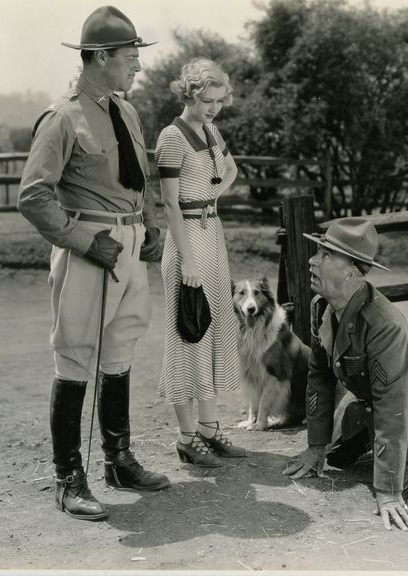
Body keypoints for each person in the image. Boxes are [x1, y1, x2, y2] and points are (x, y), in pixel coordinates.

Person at [18, 5, 169, 521]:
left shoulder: (126, 111)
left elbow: (136, 179)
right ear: (101, 56)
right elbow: (34, 196)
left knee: (121, 348)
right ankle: (67, 478)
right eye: (131, 55)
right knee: (77, 354)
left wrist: (147, 228)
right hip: (90, 248)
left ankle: (119, 459)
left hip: (128, 245)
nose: (139, 66)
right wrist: (84, 242)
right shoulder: (62, 116)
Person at [282, 218, 408, 531]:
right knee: (337, 456)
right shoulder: (322, 306)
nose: (312, 260)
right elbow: (319, 377)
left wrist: (388, 493)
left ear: (351, 271)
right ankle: (366, 438)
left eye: (326, 255)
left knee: (406, 482)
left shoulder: (383, 324)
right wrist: (316, 446)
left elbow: (393, 407)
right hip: (374, 393)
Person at [155, 58, 246, 467]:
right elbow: (170, 205)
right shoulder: (172, 137)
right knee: (188, 335)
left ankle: (210, 429)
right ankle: (187, 437)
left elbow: (231, 169)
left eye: (219, 102)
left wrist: (213, 195)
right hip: (186, 241)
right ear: (189, 94)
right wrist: (188, 261)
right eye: (206, 100)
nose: (213, 108)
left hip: (212, 235)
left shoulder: (210, 131)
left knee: (211, 332)